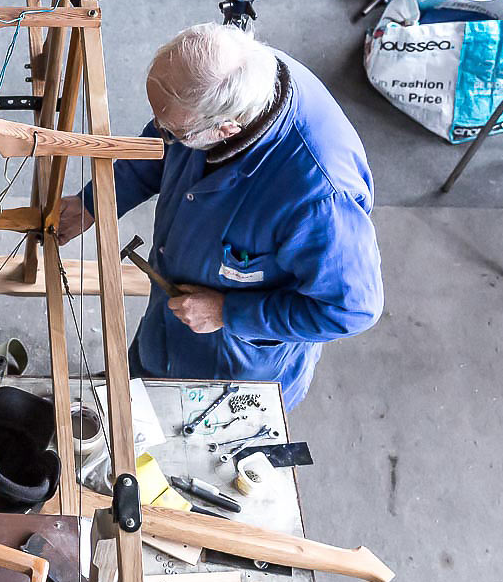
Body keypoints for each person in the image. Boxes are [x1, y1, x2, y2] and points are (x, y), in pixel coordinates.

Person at [56, 24, 382, 408]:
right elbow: (161, 143)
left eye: (173, 130)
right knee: (130, 399)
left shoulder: (319, 199)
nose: (160, 130)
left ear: (227, 128)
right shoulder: (231, 77)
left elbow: (352, 310)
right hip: (167, 329)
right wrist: (94, 202)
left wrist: (229, 312)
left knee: (182, 442)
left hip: (231, 374)